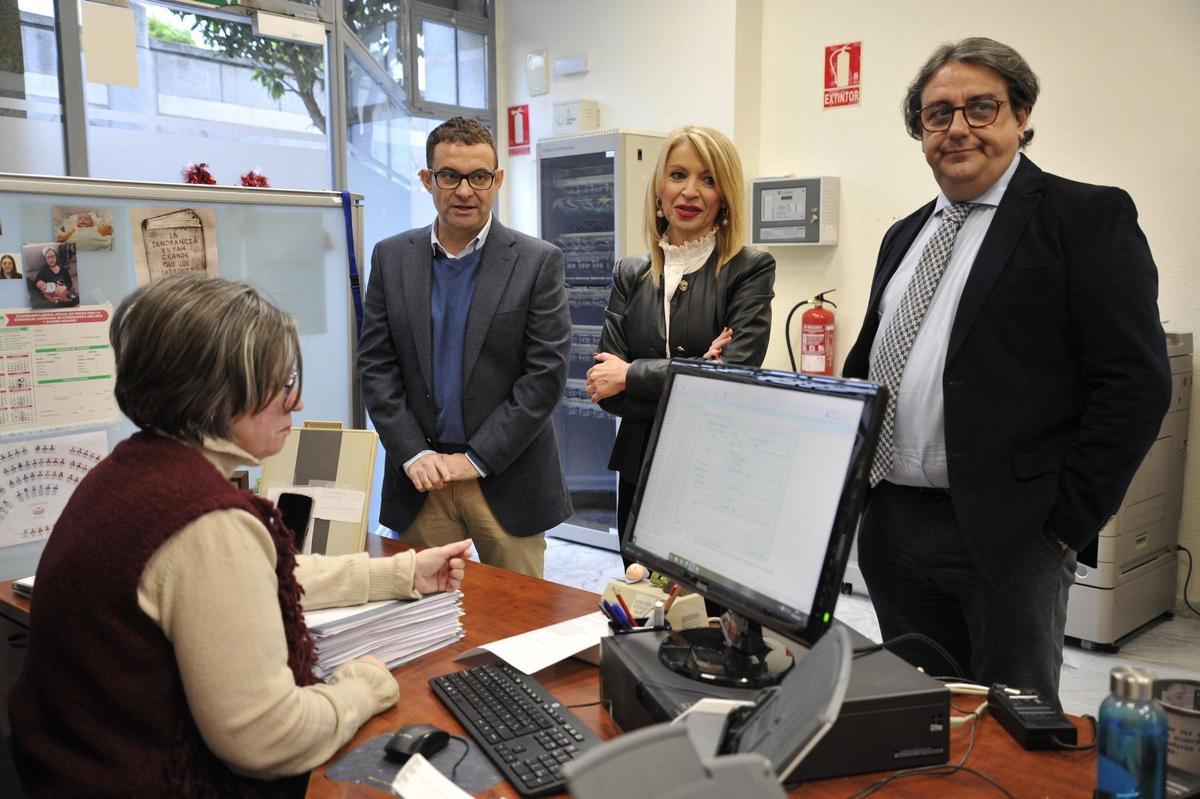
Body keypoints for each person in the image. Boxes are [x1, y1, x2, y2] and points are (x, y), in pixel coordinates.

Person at [8, 273, 473, 798]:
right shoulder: (205, 523)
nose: (295, 403)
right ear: (216, 392)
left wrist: (399, 572)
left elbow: (249, 581)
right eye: (283, 383)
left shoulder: (131, 470)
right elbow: (268, 739)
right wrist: (359, 689)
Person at [842, 38, 1171, 707]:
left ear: (1020, 117)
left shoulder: (1084, 217)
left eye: (980, 108)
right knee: (918, 712)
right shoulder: (904, 235)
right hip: (894, 525)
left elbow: (1136, 382)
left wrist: (1062, 526)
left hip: (1010, 533)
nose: (957, 127)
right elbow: (876, 361)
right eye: (938, 115)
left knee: (1010, 731)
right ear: (920, 132)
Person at [358, 116, 571, 579]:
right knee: (421, 621)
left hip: (505, 479)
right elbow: (376, 367)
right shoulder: (391, 258)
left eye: (478, 177)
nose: (464, 191)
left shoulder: (537, 262)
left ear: (496, 180)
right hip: (421, 481)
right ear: (427, 180)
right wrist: (414, 453)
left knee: (521, 625)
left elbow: (544, 377)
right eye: (449, 176)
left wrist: (475, 459)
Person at [587, 125, 775, 542]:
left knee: (702, 606)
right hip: (639, 467)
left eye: (708, 179)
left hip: (715, 473)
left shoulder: (749, 269)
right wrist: (694, 372)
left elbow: (731, 377)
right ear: (658, 189)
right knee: (640, 596)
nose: (690, 191)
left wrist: (632, 374)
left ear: (724, 195)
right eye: (677, 175)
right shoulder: (630, 273)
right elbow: (605, 388)